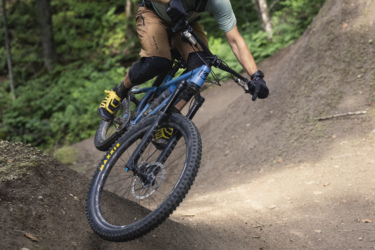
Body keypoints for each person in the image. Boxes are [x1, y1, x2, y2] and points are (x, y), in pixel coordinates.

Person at [98, 0, 269, 122]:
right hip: (153, 14)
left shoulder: (220, 3)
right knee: (157, 61)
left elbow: (235, 40)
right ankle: (119, 92)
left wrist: (256, 76)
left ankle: (169, 116)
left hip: (184, 24)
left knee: (201, 66)